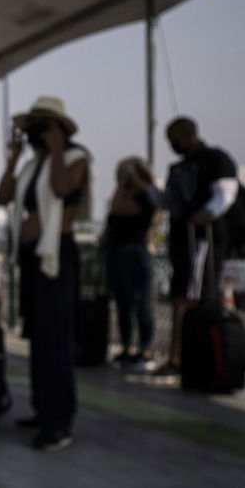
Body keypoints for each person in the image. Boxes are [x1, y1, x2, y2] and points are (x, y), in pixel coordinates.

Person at [0, 96, 90, 452]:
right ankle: (42, 409)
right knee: (39, 337)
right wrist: (14, 159)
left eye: (43, 126)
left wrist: (56, 150)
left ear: (59, 130)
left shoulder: (74, 158)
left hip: (57, 258)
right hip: (33, 260)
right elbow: (2, 196)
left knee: (57, 340)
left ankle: (59, 420)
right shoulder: (32, 166)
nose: (36, 133)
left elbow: (62, 188)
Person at [151, 117, 238, 378]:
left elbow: (226, 193)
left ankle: (186, 357)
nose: (172, 145)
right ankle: (181, 356)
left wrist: (206, 214)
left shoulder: (214, 159)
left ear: (187, 135)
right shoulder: (179, 167)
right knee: (182, 294)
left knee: (191, 296)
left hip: (201, 239)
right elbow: (167, 201)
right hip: (182, 239)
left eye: (174, 139)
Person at [102, 158, 162, 373]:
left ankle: (145, 348)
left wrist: (136, 178)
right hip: (117, 250)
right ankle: (127, 346)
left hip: (137, 251)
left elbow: (151, 203)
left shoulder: (147, 196)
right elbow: (115, 210)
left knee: (141, 301)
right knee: (122, 302)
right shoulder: (120, 194)